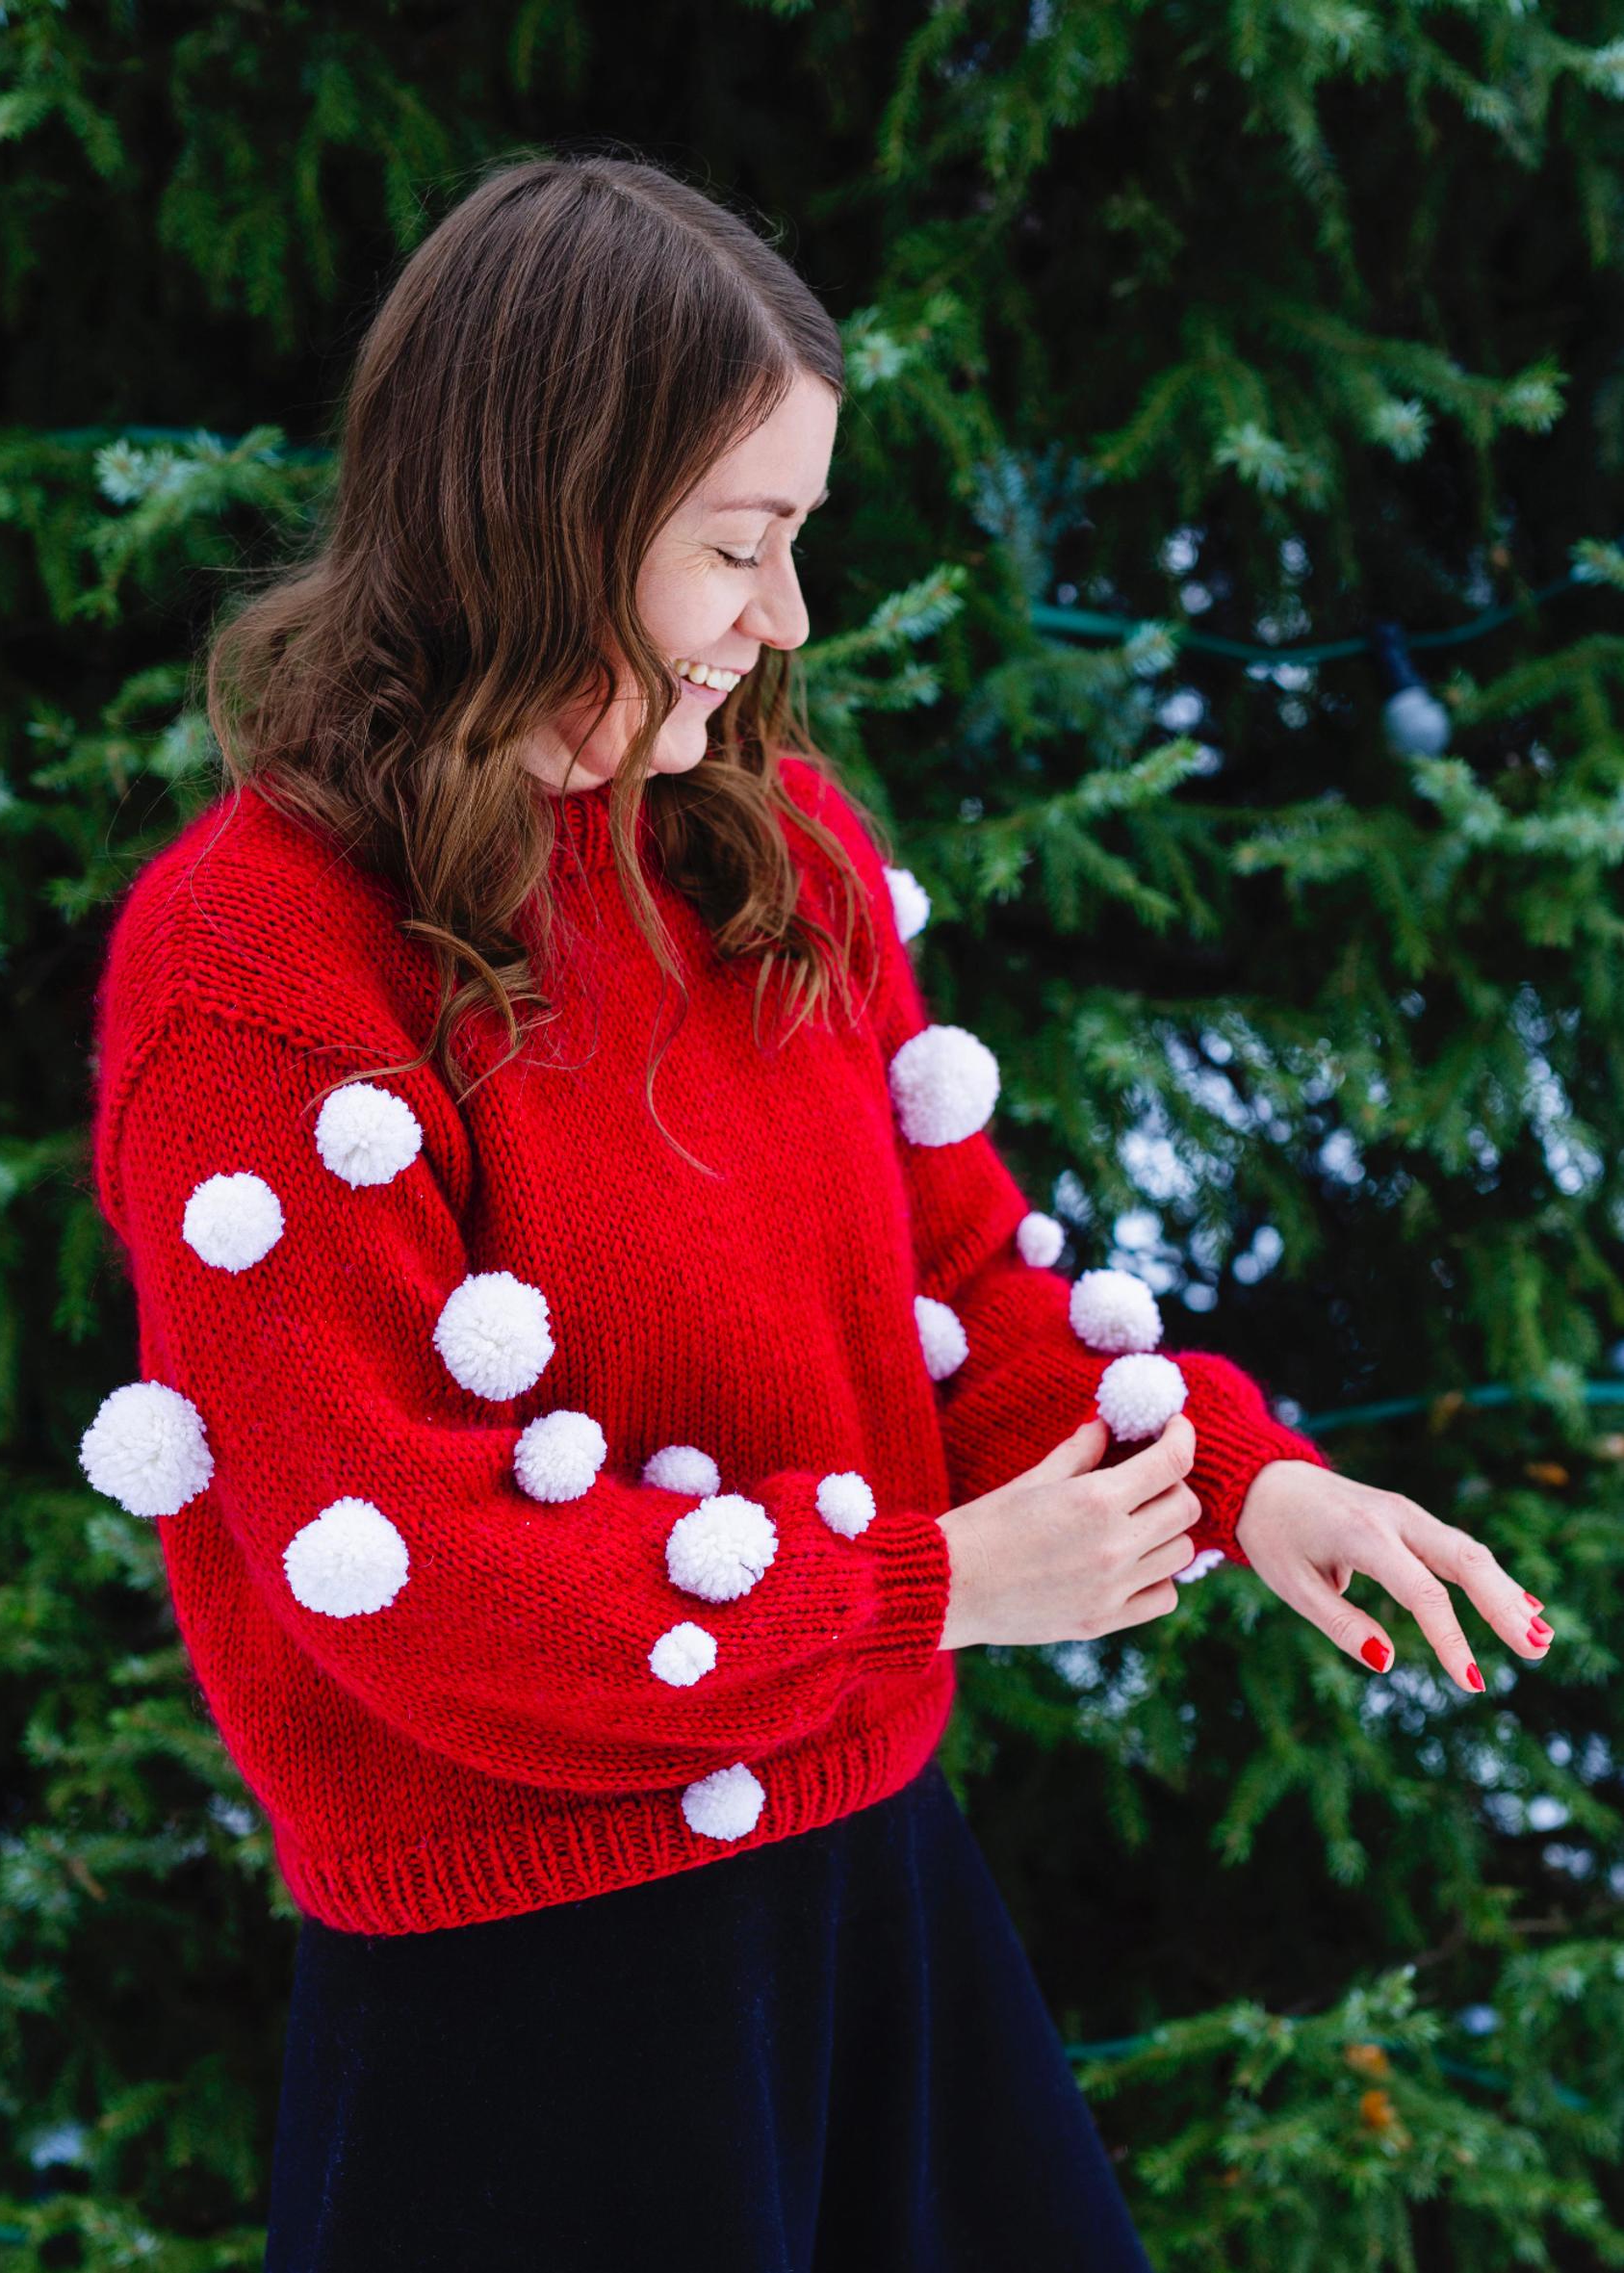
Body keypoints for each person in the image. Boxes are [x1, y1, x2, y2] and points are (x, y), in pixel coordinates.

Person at [79, 151, 1556, 2273]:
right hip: (530, 2012)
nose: (782, 620)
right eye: (736, 547)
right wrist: (920, 1589)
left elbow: (957, 1300)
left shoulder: (774, 852)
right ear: (544, 513)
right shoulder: (264, 962)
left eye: (796, 544)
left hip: (872, 1893)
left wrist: (1238, 1483)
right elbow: (407, 1566)